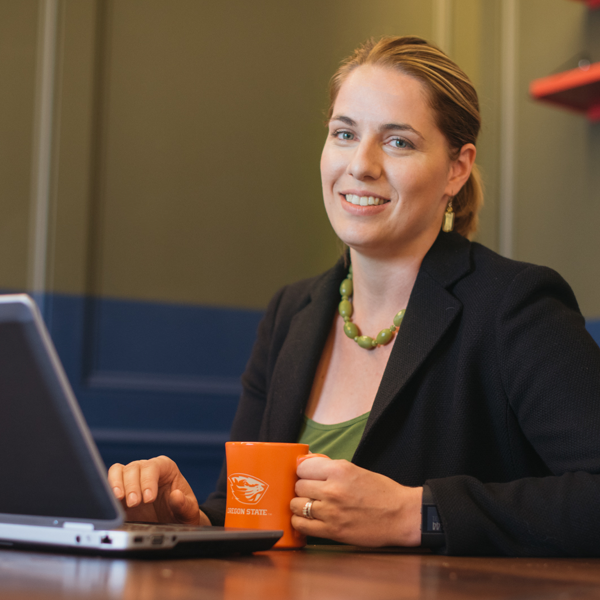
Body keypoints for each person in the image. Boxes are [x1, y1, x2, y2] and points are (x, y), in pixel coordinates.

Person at [108, 36, 600, 556]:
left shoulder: (515, 306)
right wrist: (187, 522)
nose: (361, 165)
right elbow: (246, 515)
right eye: (344, 133)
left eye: (398, 142)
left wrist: (418, 513)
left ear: (457, 168)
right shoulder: (289, 314)